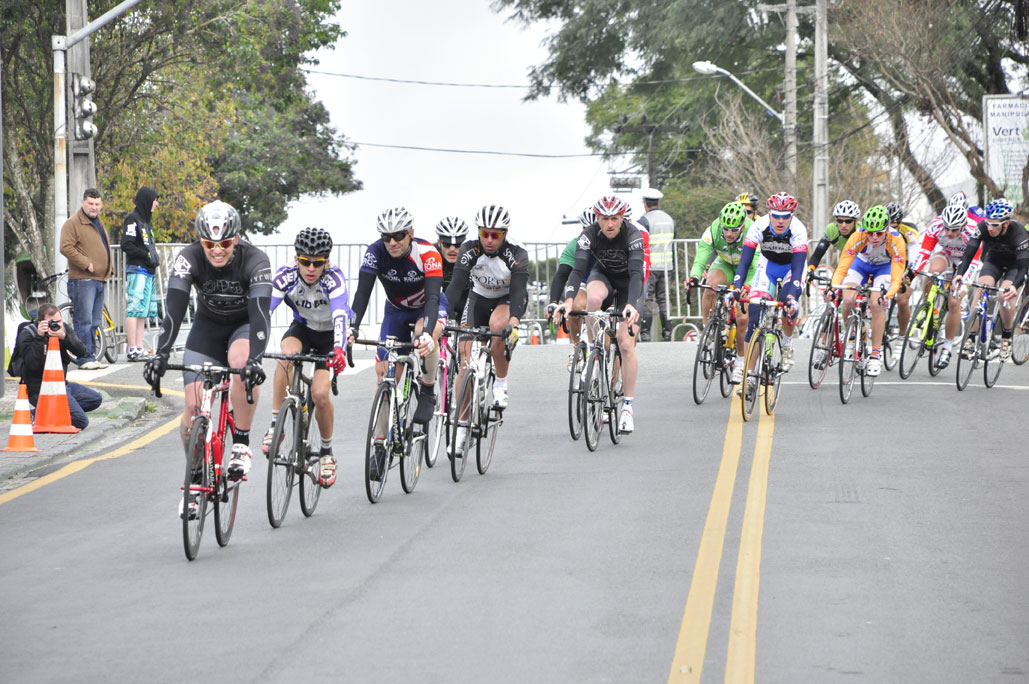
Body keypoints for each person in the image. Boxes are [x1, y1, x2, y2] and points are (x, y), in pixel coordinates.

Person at [143, 200, 271, 491]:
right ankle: (197, 469)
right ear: (200, 241)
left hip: (243, 326)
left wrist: (256, 359)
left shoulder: (256, 260)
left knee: (241, 364)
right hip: (207, 329)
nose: (217, 250)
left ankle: (240, 443)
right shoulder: (188, 258)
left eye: (225, 242)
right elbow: (173, 311)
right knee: (192, 407)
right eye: (209, 243)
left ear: (235, 239)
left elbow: (261, 314)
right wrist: (160, 354)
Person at [348, 207, 446, 479]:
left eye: (399, 236)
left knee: (424, 336)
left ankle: (427, 390)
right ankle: (380, 446)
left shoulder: (427, 254)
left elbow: (434, 297)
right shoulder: (376, 251)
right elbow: (362, 294)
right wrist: (352, 328)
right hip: (395, 311)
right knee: (384, 379)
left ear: (411, 234)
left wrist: (427, 332)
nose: (392, 242)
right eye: (386, 236)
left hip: (427, 308)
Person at [264, 227, 352, 488]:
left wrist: (339, 350)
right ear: (296, 259)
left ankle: (326, 453)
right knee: (287, 356)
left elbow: (339, 316)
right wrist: (250, 341)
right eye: (305, 261)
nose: (311, 268)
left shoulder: (334, 279)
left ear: (327, 262)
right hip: (303, 329)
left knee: (320, 394)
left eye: (318, 263)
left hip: (329, 337)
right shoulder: (286, 276)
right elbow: (263, 309)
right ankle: (274, 425)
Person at [556, 195, 644, 433]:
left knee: (626, 345)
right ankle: (594, 349)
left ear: (622, 217)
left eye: (614, 218)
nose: (609, 224)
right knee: (593, 299)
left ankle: (627, 407)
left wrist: (632, 305)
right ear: (597, 218)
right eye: (604, 219)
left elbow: (637, 274)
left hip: (628, 286)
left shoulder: (633, 235)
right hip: (603, 277)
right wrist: (568, 300)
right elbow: (577, 271)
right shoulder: (589, 235)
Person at [445, 204, 529, 451]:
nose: (490, 240)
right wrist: (441, 315)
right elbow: (456, 284)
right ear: (479, 232)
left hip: (507, 298)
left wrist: (513, 322)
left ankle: (501, 383)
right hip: (479, 297)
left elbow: (517, 291)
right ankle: (461, 427)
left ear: (504, 233)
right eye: (485, 234)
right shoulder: (469, 250)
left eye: (496, 235)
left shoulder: (517, 252)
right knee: (465, 360)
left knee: (497, 327)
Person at [730, 192, 809, 388]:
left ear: (792, 215)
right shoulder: (759, 226)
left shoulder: (798, 230)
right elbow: (745, 262)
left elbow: (798, 270)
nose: (780, 221)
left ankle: (787, 344)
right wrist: (737, 289)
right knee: (755, 315)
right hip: (768, 266)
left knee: (786, 302)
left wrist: (792, 296)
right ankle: (749, 374)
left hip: (792, 268)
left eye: (785, 216)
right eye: (776, 215)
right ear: (769, 214)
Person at [829, 205, 907, 377]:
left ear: (887, 229)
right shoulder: (858, 236)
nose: (874, 237)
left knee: (876, 303)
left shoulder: (897, 240)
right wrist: (834, 287)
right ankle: (850, 338)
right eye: (870, 232)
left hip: (884, 269)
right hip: (861, 265)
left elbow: (896, 277)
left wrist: (888, 295)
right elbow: (842, 268)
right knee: (848, 298)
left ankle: (875, 355)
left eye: (878, 233)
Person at [686, 201, 755, 382]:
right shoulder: (713, 230)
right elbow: (701, 260)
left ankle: (740, 361)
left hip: (747, 268)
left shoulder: (753, 231)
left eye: (734, 230)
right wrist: (693, 276)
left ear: (742, 226)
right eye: (726, 229)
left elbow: (755, 267)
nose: (729, 233)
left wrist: (746, 287)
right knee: (710, 286)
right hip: (724, 263)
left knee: (742, 318)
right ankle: (707, 329)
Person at [953, 199, 1028, 361]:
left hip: (1016, 264)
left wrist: (1014, 287)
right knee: (981, 289)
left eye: (994, 225)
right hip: (994, 260)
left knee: (1004, 296)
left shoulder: (1019, 233)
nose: (989, 228)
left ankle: (1006, 337)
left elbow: (1023, 268)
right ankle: (971, 339)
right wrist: (959, 274)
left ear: (1006, 223)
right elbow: (968, 254)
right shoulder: (982, 227)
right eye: (988, 223)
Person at [911, 203, 981, 368]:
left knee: (954, 302)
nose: (949, 233)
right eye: (947, 228)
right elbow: (924, 254)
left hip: (967, 261)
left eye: (954, 229)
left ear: (963, 226)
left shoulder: (973, 231)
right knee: (932, 272)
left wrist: (962, 281)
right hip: (947, 255)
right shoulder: (935, 226)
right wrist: (911, 274)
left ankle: (947, 347)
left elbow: (974, 262)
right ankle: (927, 306)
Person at [13, 303, 103, 429]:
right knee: (81, 420)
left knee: (95, 399)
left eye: (58, 321)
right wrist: (40, 338)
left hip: (62, 385)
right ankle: (43, 415)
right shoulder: (28, 333)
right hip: (39, 390)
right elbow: (32, 364)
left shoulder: (62, 329)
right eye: (51, 322)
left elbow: (82, 352)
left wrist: (64, 337)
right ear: (40, 322)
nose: (55, 325)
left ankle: (36, 415)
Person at [59, 187, 113, 370]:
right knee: (83, 321)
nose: (94, 207)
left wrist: (109, 267)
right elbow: (65, 247)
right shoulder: (73, 223)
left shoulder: (98, 222)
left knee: (95, 322)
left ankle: (90, 355)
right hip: (83, 279)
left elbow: (104, 246)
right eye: (90, 203)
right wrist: (85, 263)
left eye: (97, 204)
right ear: (83, 203)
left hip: (99, 279)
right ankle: (84, 358)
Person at [120, 186, 161, 361]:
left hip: (149, 270)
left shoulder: (147, 220)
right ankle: (132, 348)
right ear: (146, 200)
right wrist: (145, 255)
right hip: (137, 269)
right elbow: (127, 244)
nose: (157, 204)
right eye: (154, 200)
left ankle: (139, 346)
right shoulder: (132, 219)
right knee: (134, 308)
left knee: (143, 311)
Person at [547, 207, 594, 350]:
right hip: (584, 284)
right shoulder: (575, 245)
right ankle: (576, 347)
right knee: (574, 306)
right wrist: (553, 302)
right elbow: (562, 275)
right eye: (587, 229)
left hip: (607, 284)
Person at [637, 188, 675, 341]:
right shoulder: (670, 219)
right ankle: (667, 333)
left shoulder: (644, 220)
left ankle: (645, 334)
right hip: (667, 266)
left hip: (650, 267)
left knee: (647, 299)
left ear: (645, 204)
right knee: (664, 299)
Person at [884, 201, 918, 335]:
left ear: (900, 222)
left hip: (906, 264)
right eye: (888, 226)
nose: (891, 230)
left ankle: (902, 336)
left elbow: (915, 254)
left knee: (902, 300)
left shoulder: (909, 230)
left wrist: (909, 275)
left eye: (894, 226)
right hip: (888, 263)